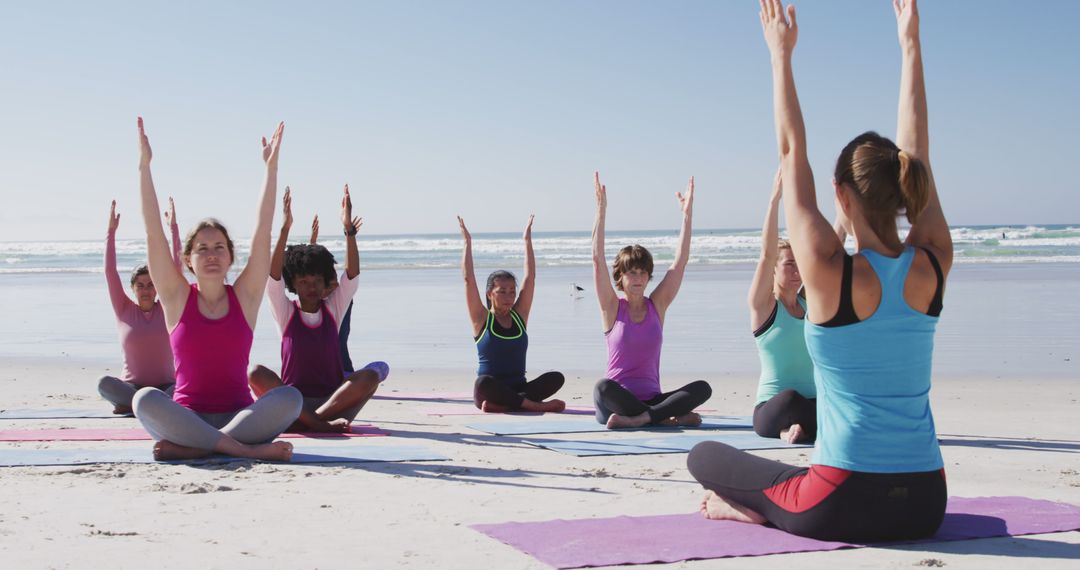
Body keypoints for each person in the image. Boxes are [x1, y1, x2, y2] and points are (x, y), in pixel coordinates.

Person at [688, 0, 951, 542]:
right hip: (927, 500)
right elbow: (918, 149)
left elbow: (791, 151)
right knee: (788, 471)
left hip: (844, 500)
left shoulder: (831, 274)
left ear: (841, 196)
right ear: (908, 187)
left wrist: (780, 55)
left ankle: (747, 510)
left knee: (706, 454)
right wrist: (910, 45)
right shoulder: (931, 264)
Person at [130, 117, 301, 461]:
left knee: (290, 398)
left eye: (219, 247)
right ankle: (238, 450)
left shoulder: (245, 297)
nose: (211, 254)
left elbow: (263, 232)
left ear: (230, 257)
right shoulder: (177, 298)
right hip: (185, 418)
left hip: (240, 417)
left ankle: (198, 447)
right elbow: (153, 234)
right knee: (144, 399)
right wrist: (144, 167)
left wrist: (271, 170)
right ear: (189, 260)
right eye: (202, 249)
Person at [248, 185, 387, 432]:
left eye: (316, 281)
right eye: (303, 282)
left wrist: (349, 230)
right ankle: (315, 422)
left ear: (325, 284)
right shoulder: (286, 312)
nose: (311, 287)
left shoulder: (333, 309)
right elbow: (273, 276)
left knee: (372, 374)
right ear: (294, 284)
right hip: (293, 402)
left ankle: (313, 421)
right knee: (254, 372)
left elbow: (351, 275)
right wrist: (285, 228)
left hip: (333, 402)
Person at [591, 172, 712, 428]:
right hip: (616, 402)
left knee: (702, 388)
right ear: (620, 277)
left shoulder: (657, 305)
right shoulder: (612, 308)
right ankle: (663, 418)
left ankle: (645, 418)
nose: (638, 278)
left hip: (653, 399)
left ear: (648, 277)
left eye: (643, 272)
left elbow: (680, 262)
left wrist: (686, 215)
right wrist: (601, 212)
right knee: (602, 388)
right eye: (631, 272)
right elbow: (597, 259)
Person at [458, 215, 565, 413]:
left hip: (518, 388)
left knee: (556, 378)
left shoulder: (519, 316)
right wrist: (467, 243)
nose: (509, 297)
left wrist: (527, 241)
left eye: (512, 292)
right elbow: (468, 280)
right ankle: (530, 405)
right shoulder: (482, 319)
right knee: (483, 383)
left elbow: (530, 278)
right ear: (490, 294)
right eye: (502, 292)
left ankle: (507, 404)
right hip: (490, 390)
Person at [97, 197, 182, 414]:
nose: (145, 290)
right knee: (104, 383)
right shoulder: (123, 309)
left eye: (150, 285)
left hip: (165, 388)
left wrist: (173, 228)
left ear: (157, 288)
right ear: (133, 288)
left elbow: (176, 269)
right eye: (140, 285)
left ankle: (138, 405)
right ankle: (142, 404)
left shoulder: (166, 308)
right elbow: (110, 272)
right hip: (131, 387)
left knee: (180, 387)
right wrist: (111, 232)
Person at [308, 213, 357, 374]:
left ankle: (346, 373)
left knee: (339, 341)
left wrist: (349, 234)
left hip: (341, 303)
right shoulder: (315, 287)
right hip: (327, 303)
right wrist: (312, 242)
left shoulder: (338, 290)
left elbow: (348, 272)